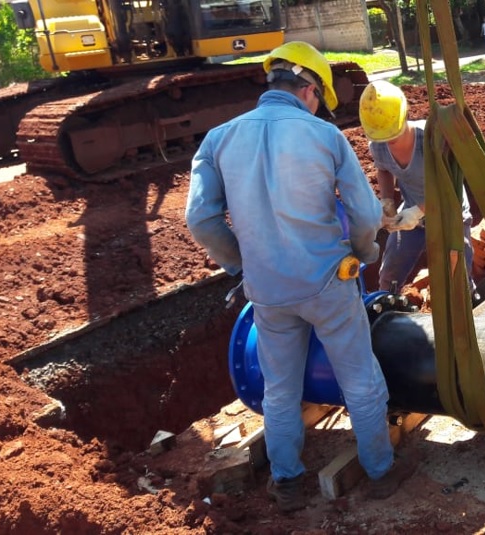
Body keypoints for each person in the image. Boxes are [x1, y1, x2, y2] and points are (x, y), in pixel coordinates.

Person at [185, 41, 414, 513]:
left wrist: (243, 264)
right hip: (327, 282)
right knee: (360, 379)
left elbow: (200, 221)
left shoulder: (218, 138)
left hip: (268, 293)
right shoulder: (324, 137)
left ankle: (287, 482)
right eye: (319, 99)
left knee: (281, 387)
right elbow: (367, 215)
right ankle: (380, 472)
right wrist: (364, 253)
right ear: (309, 89)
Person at [358, 80, 474, 291]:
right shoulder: (378, 145)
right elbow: (383, 169)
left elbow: (450, 190)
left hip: (450, 213)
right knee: (389, 273)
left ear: (405, 115)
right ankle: (388, 309)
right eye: (383, 137)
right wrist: (387, 200)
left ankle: (469, 309)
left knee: (459, 279)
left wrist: (418, 211)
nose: (388, 141)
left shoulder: (432, 140)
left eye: (393, 133)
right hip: (412, 215)